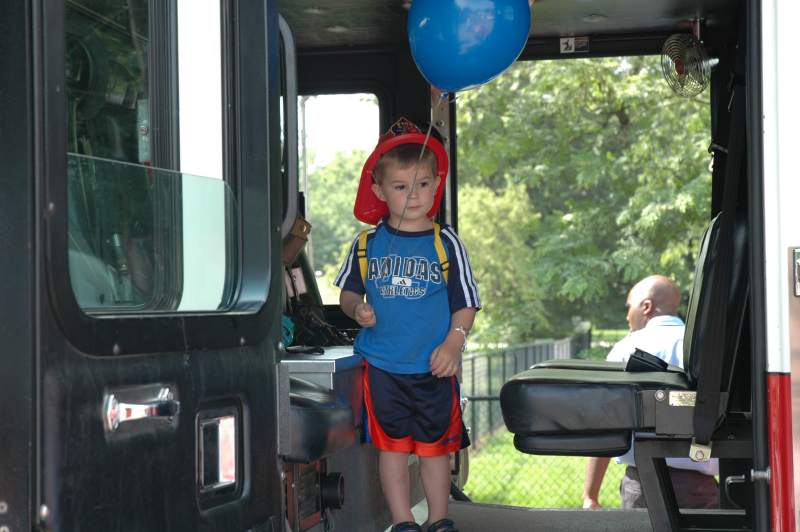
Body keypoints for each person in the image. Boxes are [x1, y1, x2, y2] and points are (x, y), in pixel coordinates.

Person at [335, 118, 480, 532]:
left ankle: (439, 520)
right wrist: (356, 309)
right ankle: (402, 522)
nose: (413, 195)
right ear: (380, 191)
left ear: (436, 185)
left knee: (435, 451)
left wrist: (454, 344)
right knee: (392, 450)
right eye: (401, 187)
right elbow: (347, 294)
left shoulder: (445, 242)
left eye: (421, 185)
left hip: (435, 366)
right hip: (383, 367)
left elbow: (466, 303)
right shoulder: (366, 244)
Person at [582, 275, 719, 510]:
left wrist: (590, 495)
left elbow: (606, 424)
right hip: (700, 489)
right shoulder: (705, 345)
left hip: (642, 487)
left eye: (629, 307)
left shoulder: (626, 349)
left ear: (646, 307)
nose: (627, 315)